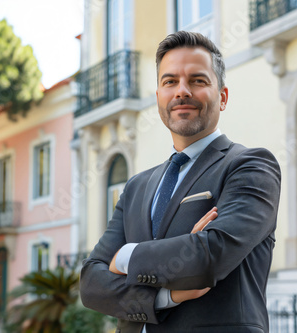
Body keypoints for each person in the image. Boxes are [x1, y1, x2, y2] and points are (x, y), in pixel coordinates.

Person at [80, 31, 281, 333]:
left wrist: (125, 256)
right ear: (159, 95)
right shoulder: (136, 187)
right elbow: (91, 284)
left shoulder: (250, 166)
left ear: (222, 97)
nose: (182, 91)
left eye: (198, 80)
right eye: (170, 81)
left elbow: (209, 257)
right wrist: (165, 296)